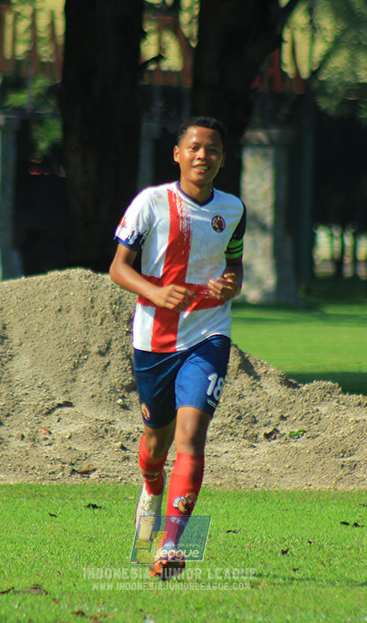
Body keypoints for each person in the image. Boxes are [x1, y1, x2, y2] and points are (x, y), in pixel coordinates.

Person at [109, 116, 246, 580]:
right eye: (194, 147)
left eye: (211, 149)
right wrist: (154, 292)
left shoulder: (233, 209)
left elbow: (235, 268)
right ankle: (150, 484)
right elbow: (118, 268)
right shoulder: (151, 202)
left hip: (209, 334)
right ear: (177, 154)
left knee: (191, 436)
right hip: (154, 341)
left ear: (222, 158)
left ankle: (169, 546)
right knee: (155, 443)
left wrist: (230, 287)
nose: (202, 155)